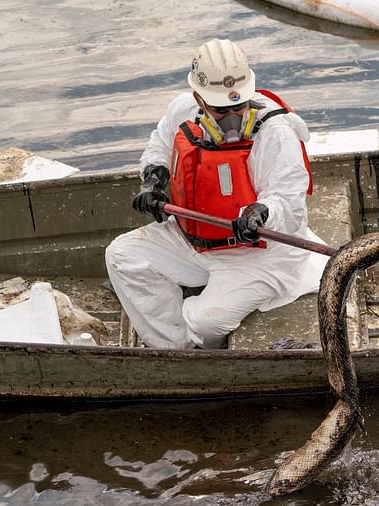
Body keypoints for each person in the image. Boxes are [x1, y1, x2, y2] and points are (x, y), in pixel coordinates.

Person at [105, 38, 328, 348]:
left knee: (205, 320)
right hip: (195, 242)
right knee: (122, 255)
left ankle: (198, 333)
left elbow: (288, 200)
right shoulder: (183, 109)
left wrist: (261, 212)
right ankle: (177, 348)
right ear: (200, 99)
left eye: (239, 105)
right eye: (222, 109)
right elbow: (158, 145)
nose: (233, 116)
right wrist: (153, 180)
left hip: (259, 255)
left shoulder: (276, 133)